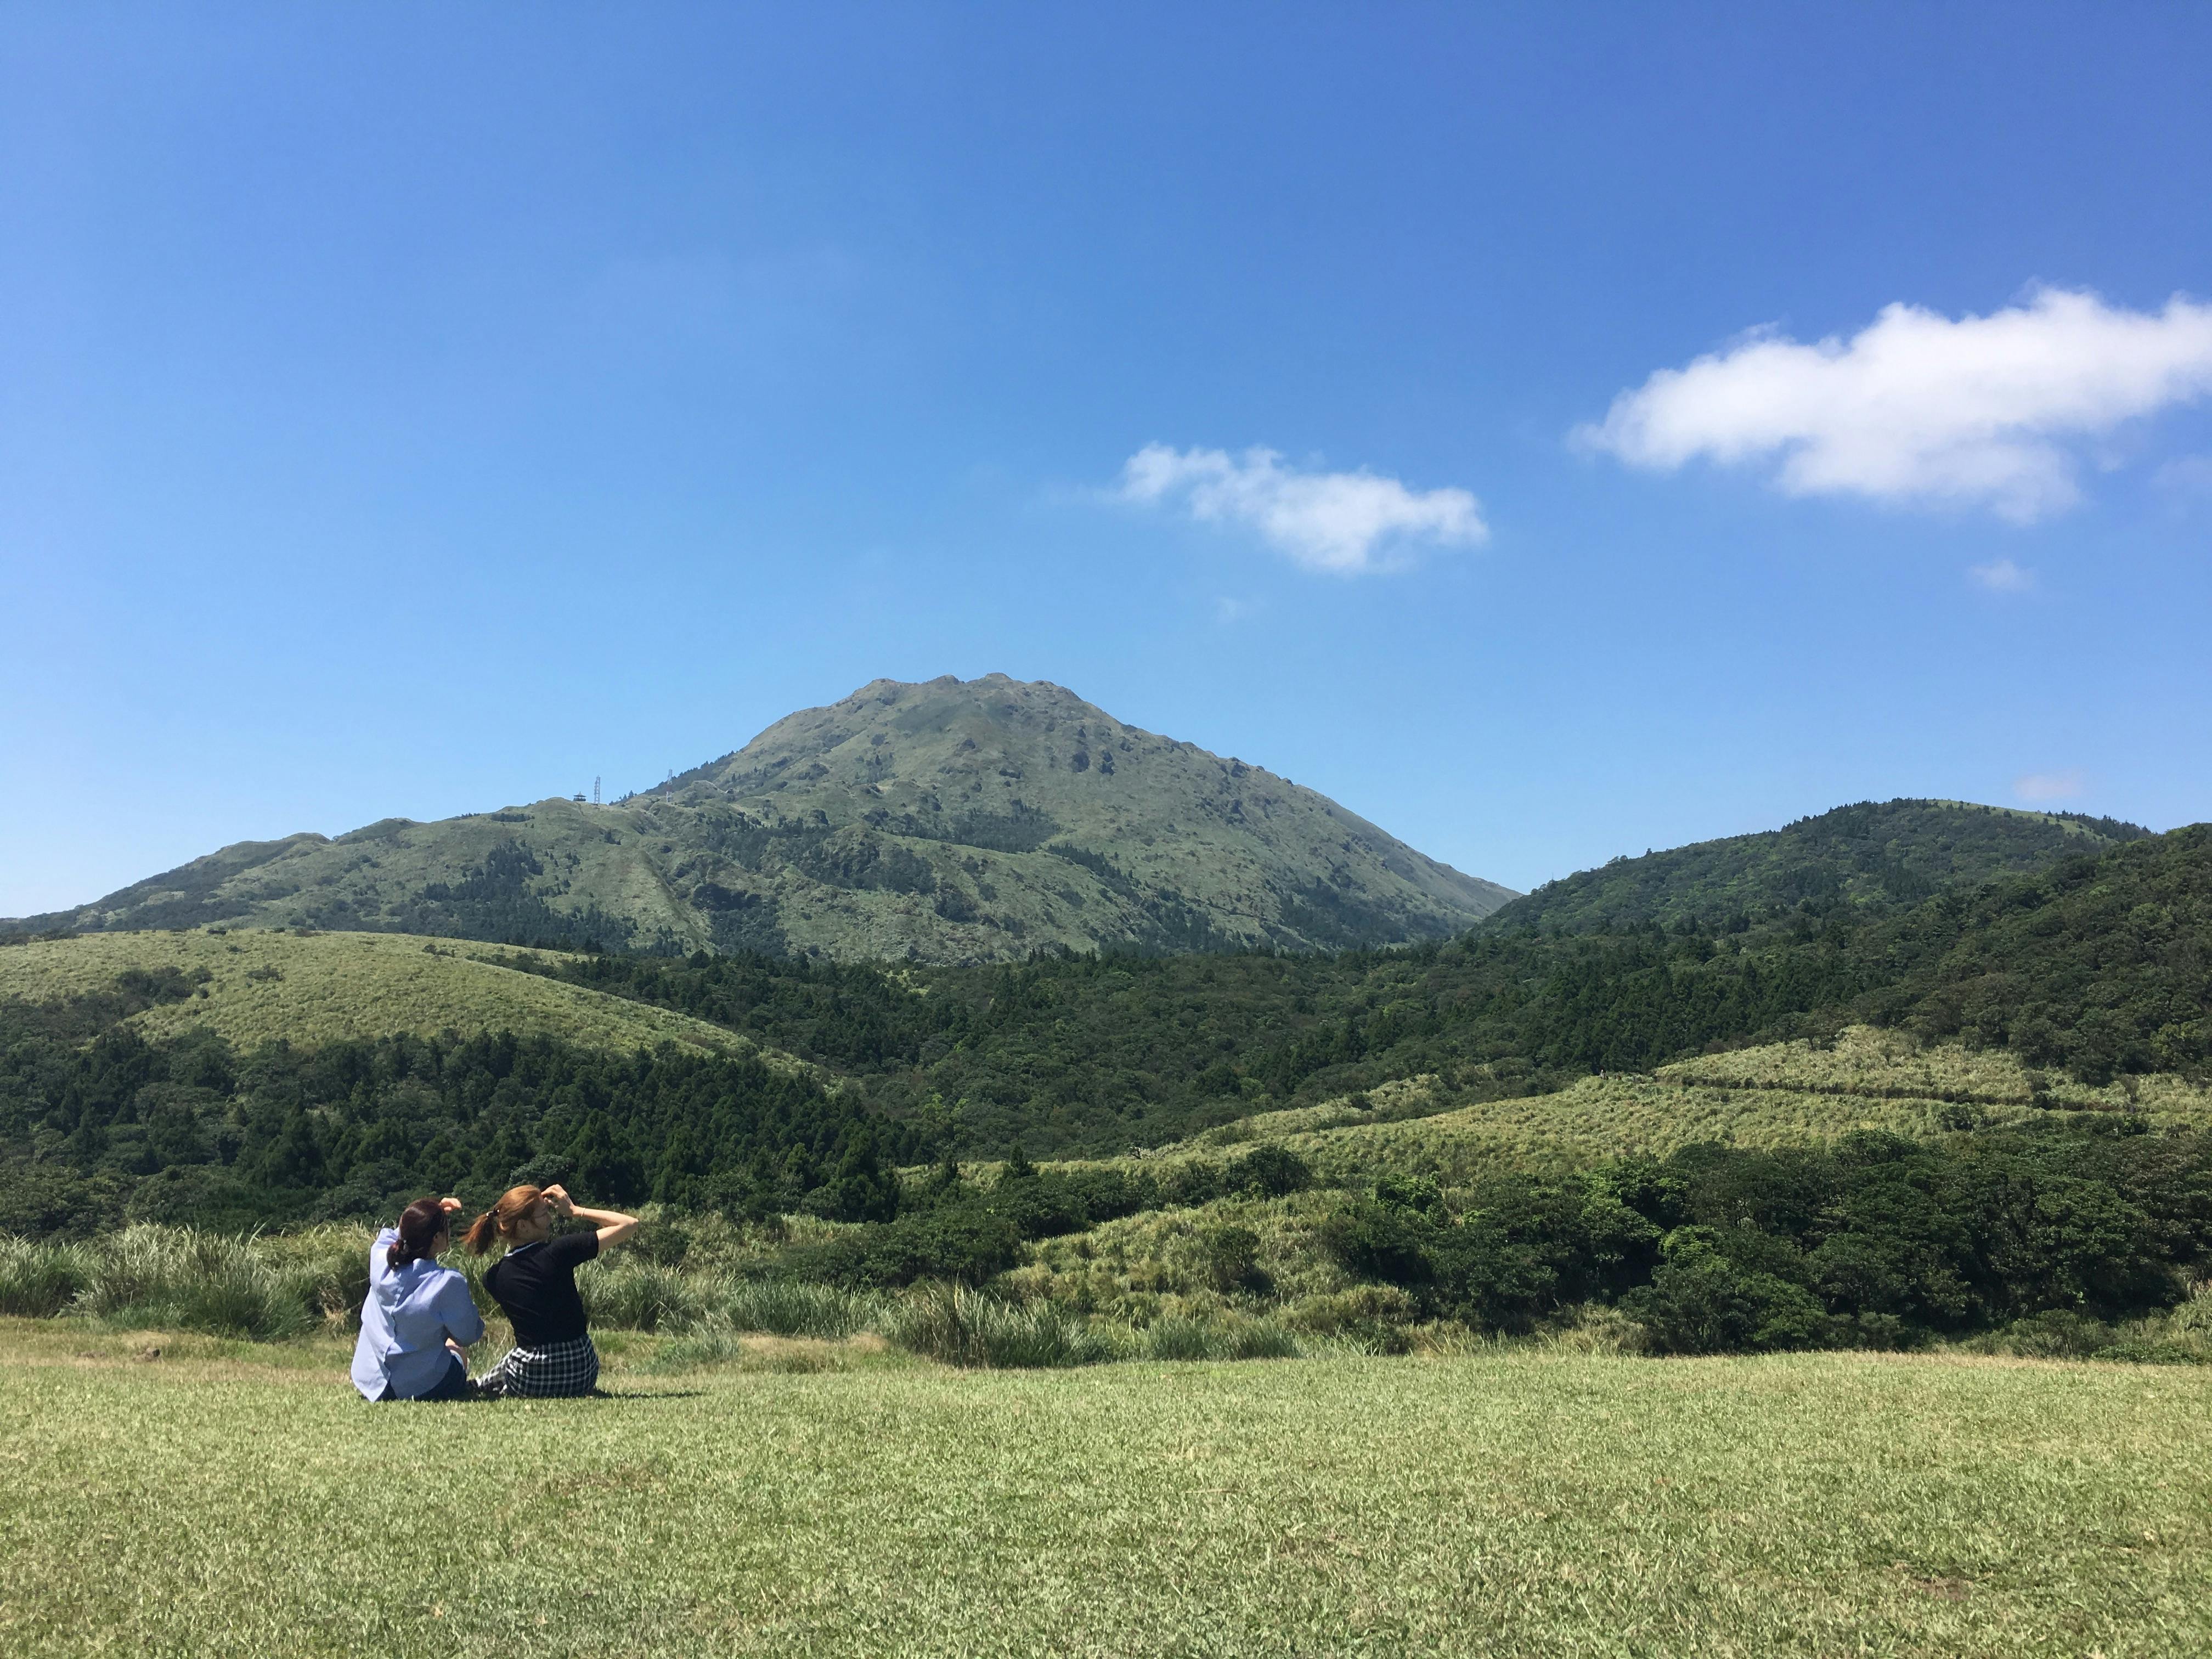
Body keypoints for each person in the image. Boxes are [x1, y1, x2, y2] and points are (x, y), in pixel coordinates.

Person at [463, 1182, 638, 1398]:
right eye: (544, 1214)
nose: (550, 1219)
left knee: (512, 1359)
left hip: (531, 1379)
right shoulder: (560, 1252)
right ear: (524, 1226)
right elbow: (629, 1224)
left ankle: (480, 1384)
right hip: (582, 1371)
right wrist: (575, 1211)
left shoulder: (492, 1278)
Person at [351, 1196, 484, 1403]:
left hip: (371, 1380)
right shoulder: (448, 1283)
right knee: (456, 1349)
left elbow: (394, 1235)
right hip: (423, 1385)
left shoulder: (379, 1259)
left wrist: (428, 1214)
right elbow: (468, 1335)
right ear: (437, 1238)